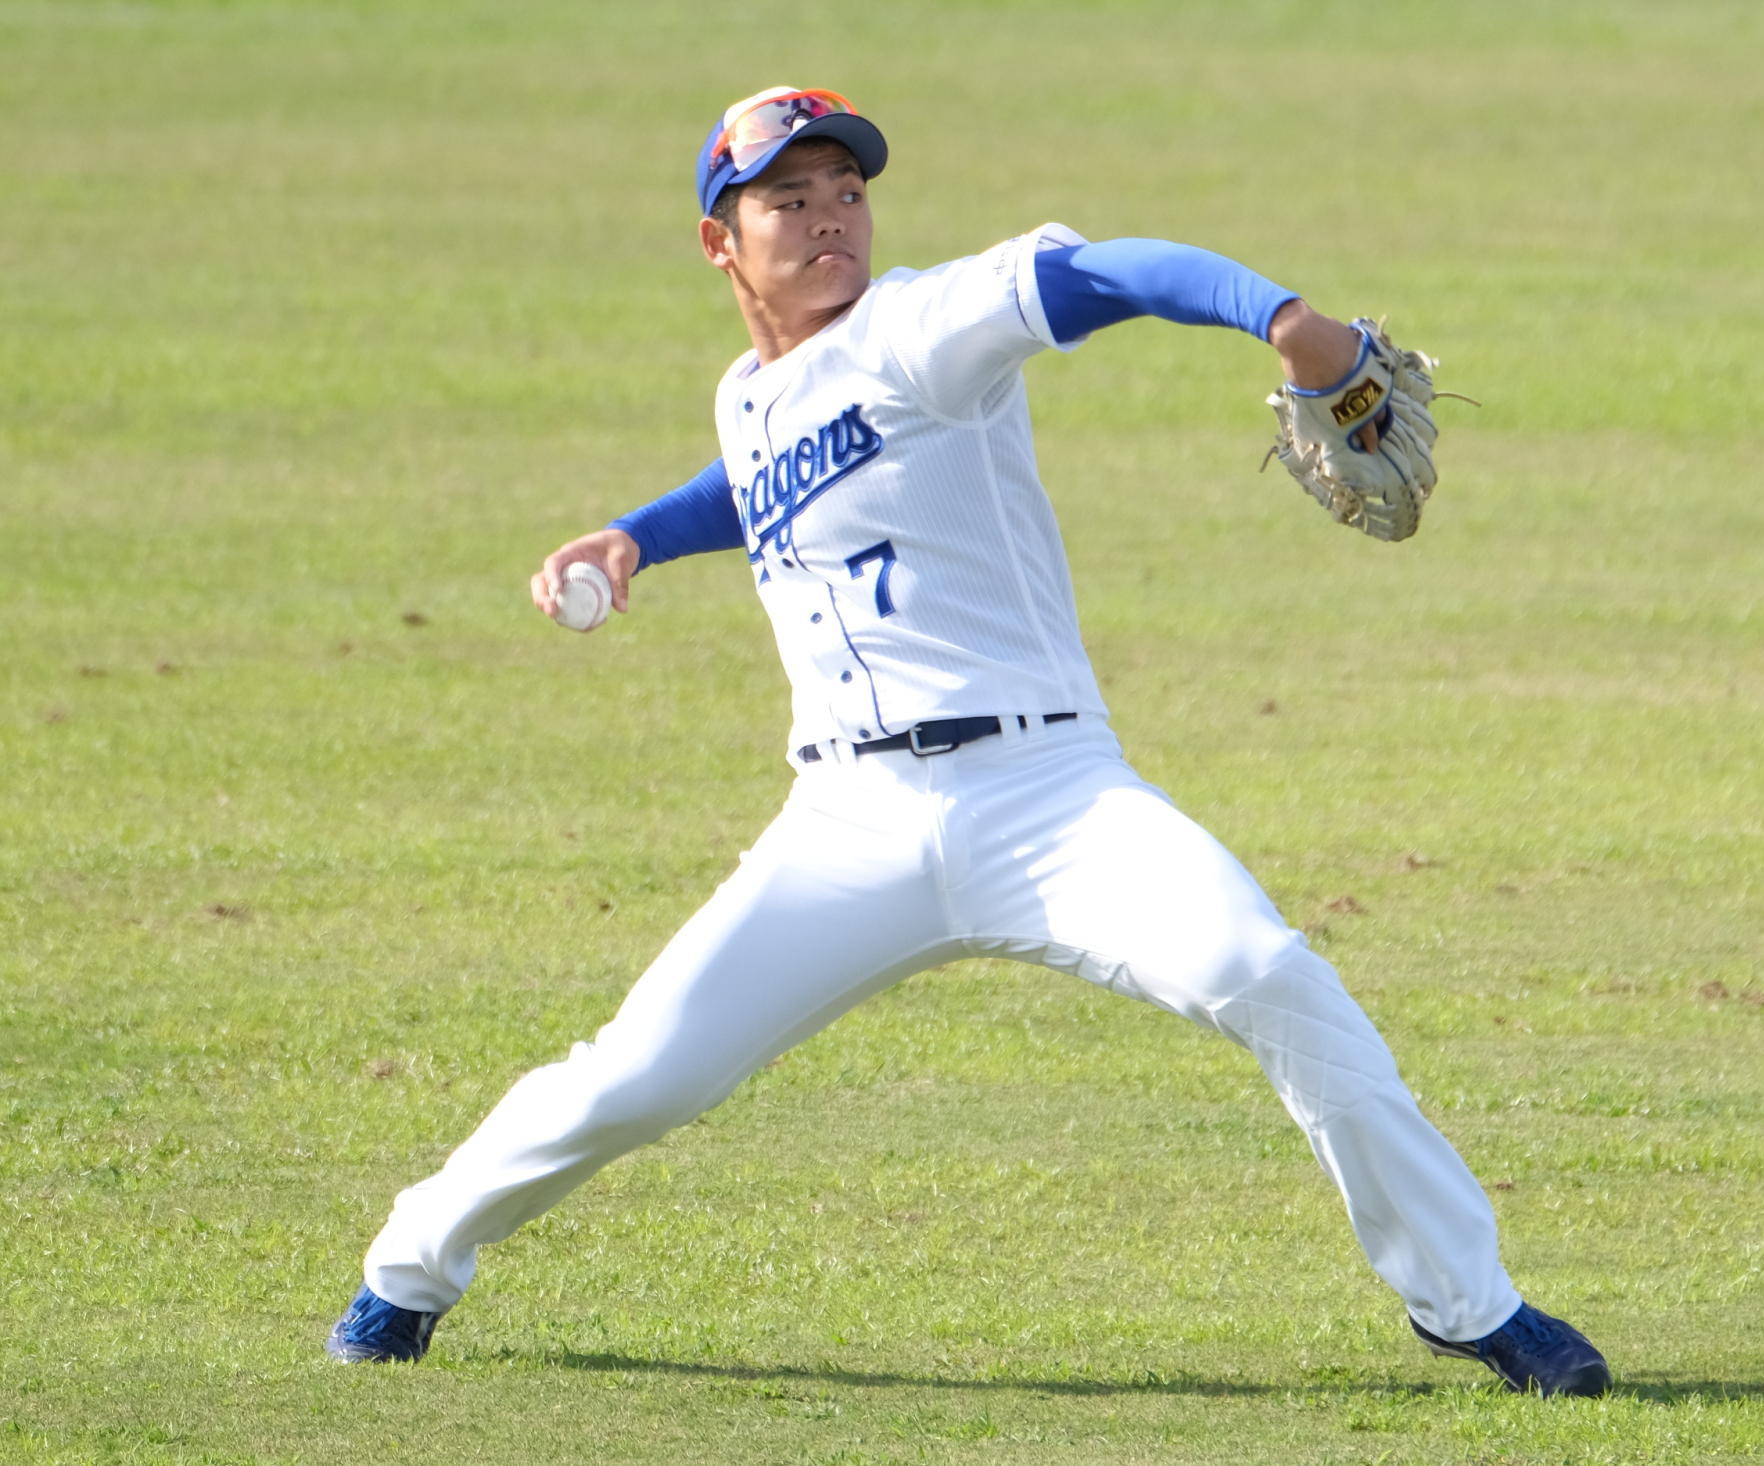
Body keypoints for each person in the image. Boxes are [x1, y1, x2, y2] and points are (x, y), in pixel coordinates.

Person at [325, 85, 1609, 1398]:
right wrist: (636, 536)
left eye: (847, 191)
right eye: (788, 198)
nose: (829, 218)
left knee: (1266, 973)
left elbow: (1103, 274)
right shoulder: (746, 393)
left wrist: (1287, 321)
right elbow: (763, 469)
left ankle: (1475, 1305)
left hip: (1047, 798)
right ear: (721, 241)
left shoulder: (920, 327)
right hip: (846, 829)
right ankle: (404, 1275)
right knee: (638, 1078)